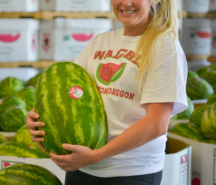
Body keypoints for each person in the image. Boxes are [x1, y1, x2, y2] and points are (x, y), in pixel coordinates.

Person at [26, 0, 188, 184]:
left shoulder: (164, 46)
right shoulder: (100, 41)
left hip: (130, 173)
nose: (126, 3)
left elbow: (157, 123)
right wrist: (35, 119)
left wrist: (96, 156)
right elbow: (65, 92)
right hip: (81, 167)